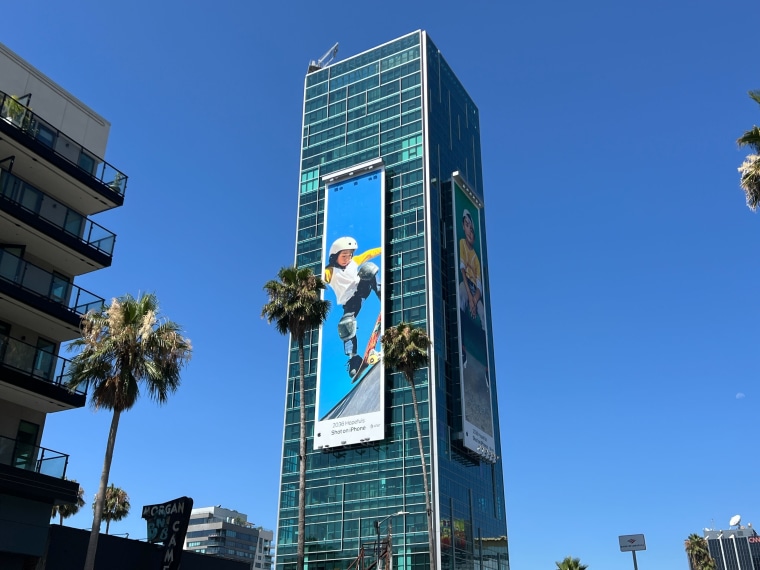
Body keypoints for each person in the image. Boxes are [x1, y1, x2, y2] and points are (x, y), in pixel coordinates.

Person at [325, 237, 381, 377]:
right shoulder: (329, 271)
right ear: (335, 256)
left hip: (362, 288)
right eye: (344, 256)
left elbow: (369, 254)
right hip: (350, 302)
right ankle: (354, 359)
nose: (347, 259)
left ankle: (382, 295)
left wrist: (385, 248)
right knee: (345, 326)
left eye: (349, 255)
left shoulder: (354, 261)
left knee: (368, 269)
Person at [459, 209, 485, 331]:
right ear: (463, 227)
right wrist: (469, 297)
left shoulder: (477, 260)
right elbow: (463, 271)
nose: (469, 229)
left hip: (475, 294)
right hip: (466, 286)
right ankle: (460, 335)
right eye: (466, 225)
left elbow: (480, 288)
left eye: (471, 227)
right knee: (461, 294)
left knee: (483, 312)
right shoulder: (462, 243)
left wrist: (474, 301)